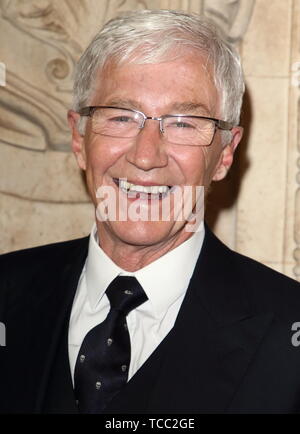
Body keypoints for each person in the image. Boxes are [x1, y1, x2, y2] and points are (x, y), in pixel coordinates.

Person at [0, 9, 300, 415]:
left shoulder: (288, 333)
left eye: (183, 123)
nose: (145, 156)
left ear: (226, 153)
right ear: (78, 137)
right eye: (122, 117)